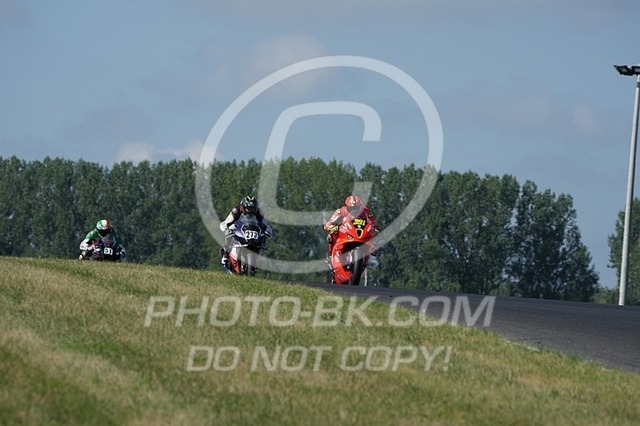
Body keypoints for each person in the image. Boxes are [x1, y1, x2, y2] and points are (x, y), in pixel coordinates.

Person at [219, 195, 273, 266]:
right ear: (242, 207)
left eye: (252, 208)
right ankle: (225, 254)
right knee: (228, 233)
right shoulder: (236, 211)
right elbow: (227, 221)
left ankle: (259, 252)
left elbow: (266, 224)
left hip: (253, 228)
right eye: (248, 208)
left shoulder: (259, 212)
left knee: (263, 234)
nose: (250, 210)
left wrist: (268, 231)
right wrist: (226, 228)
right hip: (238, 226)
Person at [324, 195, 380, 261]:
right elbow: (329, 223)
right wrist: (331, 227)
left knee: (374, 233)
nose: (354, 210)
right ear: (347, 207)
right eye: (351, 208)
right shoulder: (341, 211)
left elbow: (373, 221)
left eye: (356, 208)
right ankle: (331, 254)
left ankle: (372, 248)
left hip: (361, 231)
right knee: (332, 233)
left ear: (360, 206)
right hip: (345, 230)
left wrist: (375, 228)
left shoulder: (366, 211)